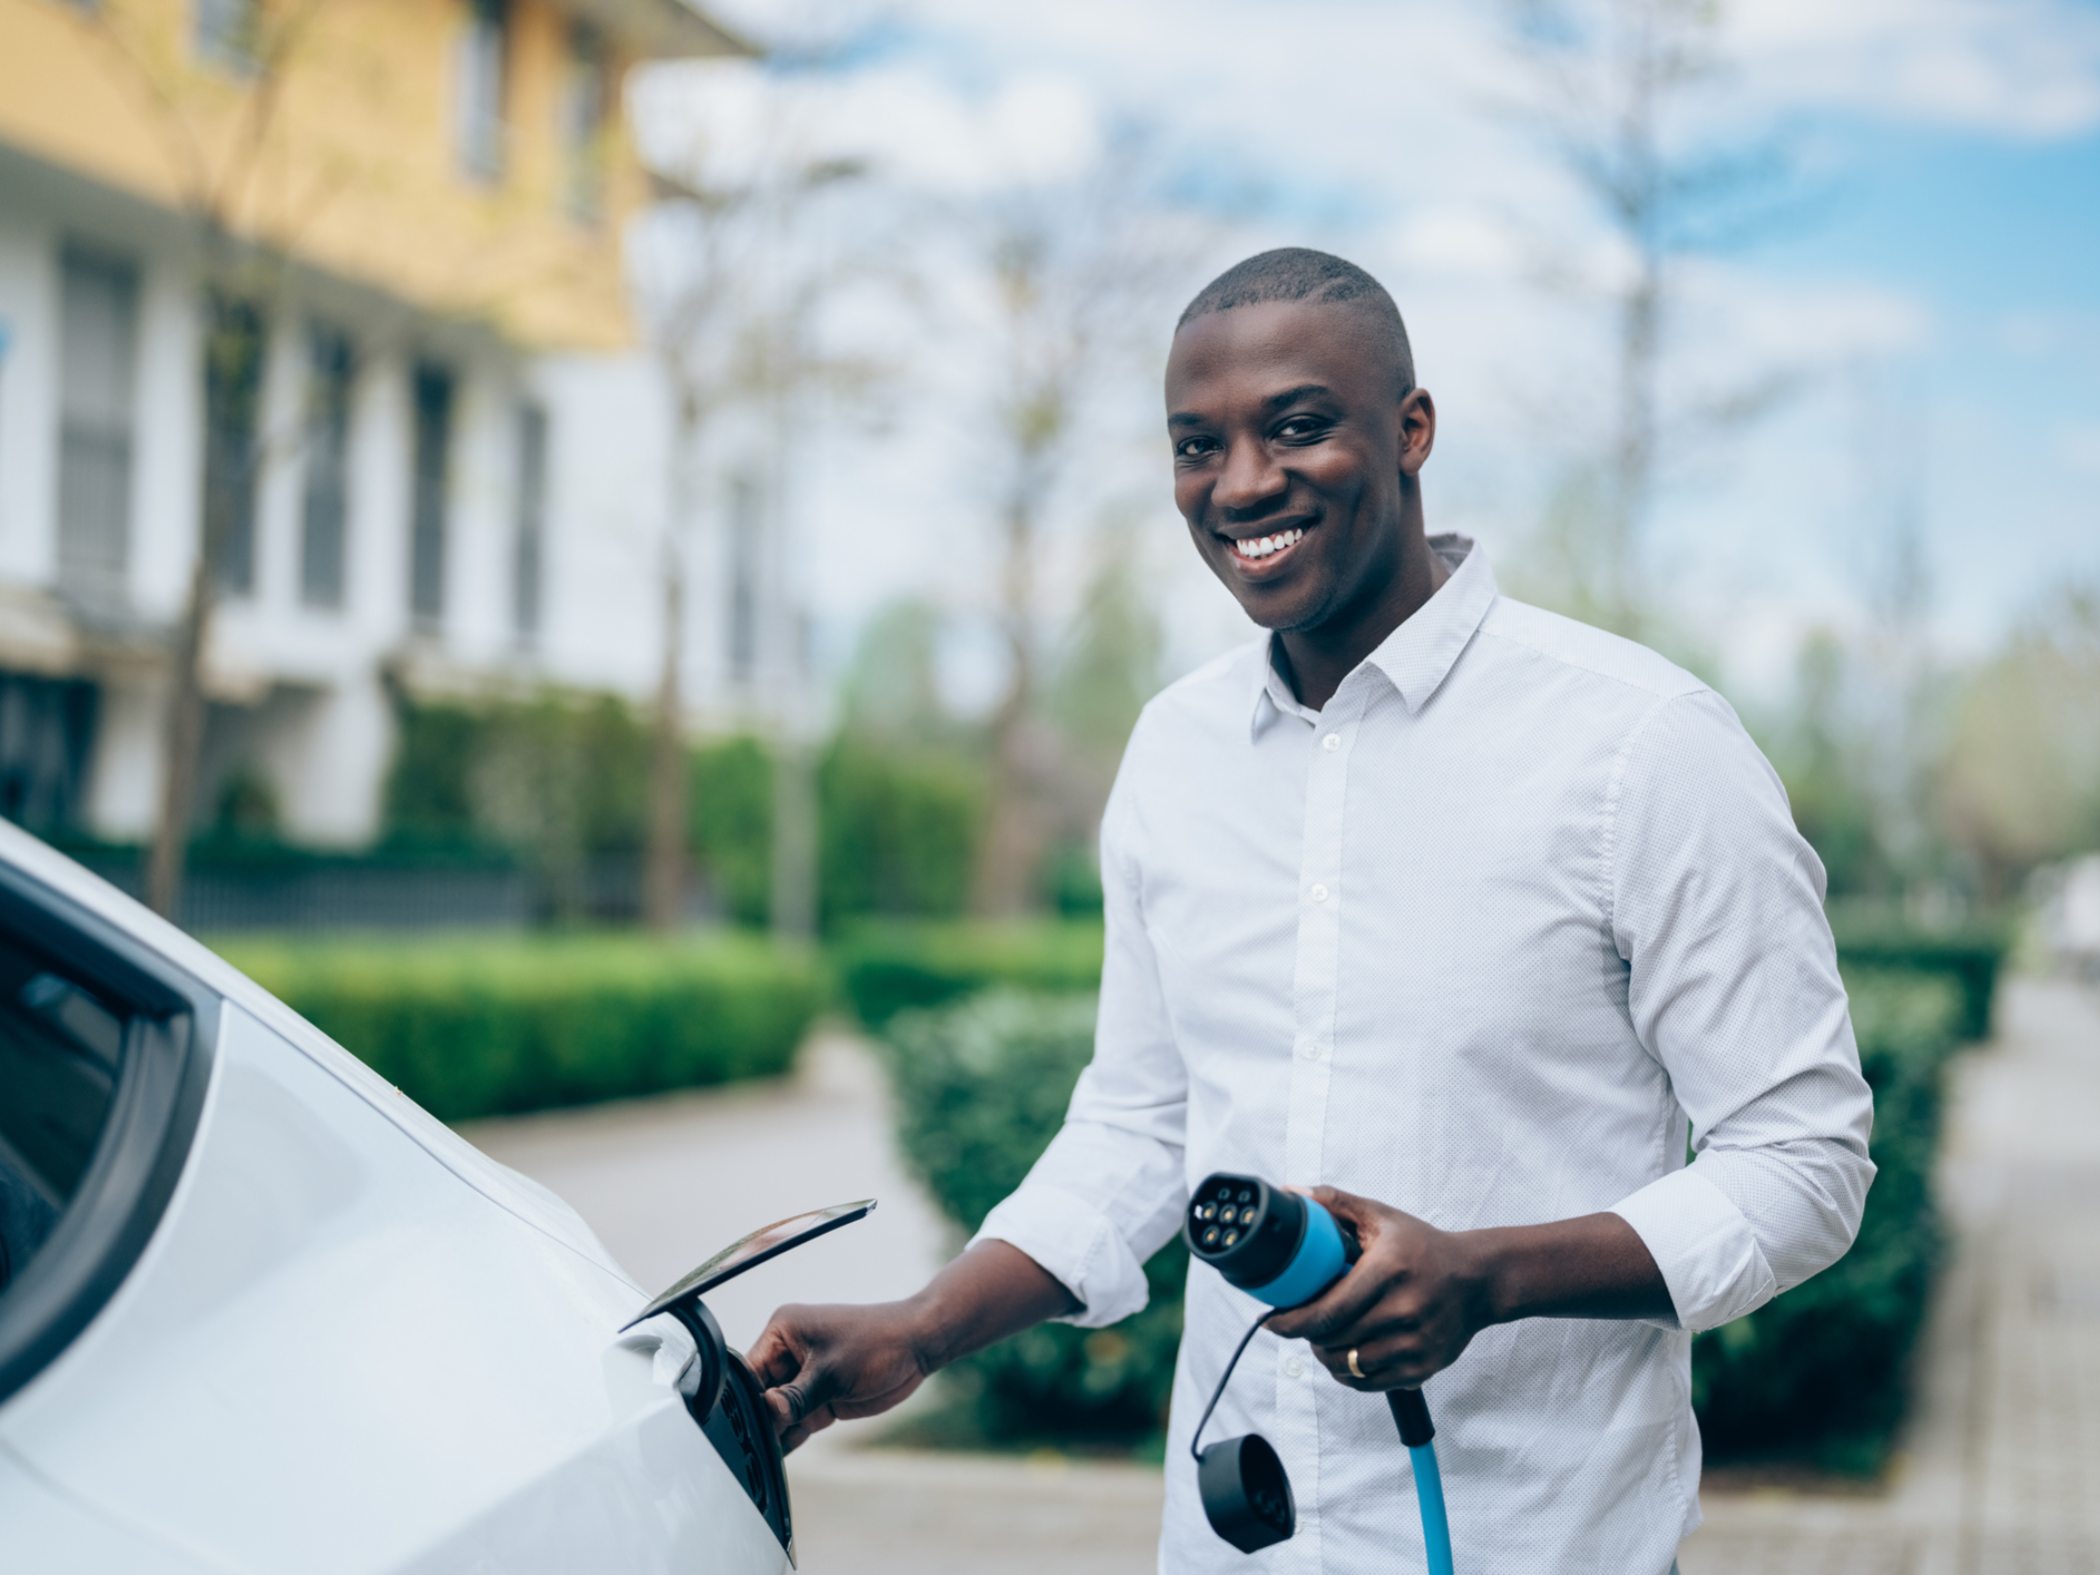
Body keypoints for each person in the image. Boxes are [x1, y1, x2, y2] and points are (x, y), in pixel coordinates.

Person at [749, 248, 1875, 1573]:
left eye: (1296, 426)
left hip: (1544, 1543)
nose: (1240, 485)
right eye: (1194, 445)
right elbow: (1141, 1125)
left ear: (1411, 432)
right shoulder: (1175, 755)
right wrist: (923, 1327)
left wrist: (1487, 1275)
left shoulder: (1643, 746)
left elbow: (1803, 1163)